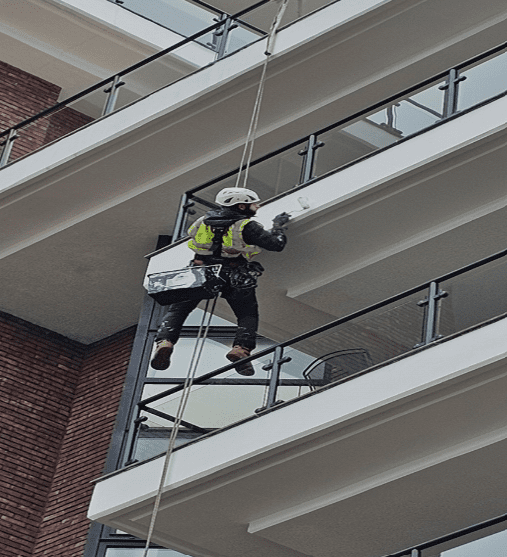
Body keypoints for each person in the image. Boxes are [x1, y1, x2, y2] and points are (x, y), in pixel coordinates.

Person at [150, 187, 289, 376]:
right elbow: (275, 244)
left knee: (178, 310)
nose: (257, 206)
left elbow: (191, 236)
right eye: (253, 203)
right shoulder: (246, 226)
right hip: (234, 274)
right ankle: (240, 349)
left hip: (201, 271)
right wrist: (278, 227)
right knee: (247, 313)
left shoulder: (202, 221)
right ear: (241, 205)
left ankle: (165, 342)